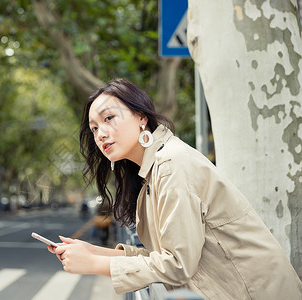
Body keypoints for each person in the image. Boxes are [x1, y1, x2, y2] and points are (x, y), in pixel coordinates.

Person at [48, 78, 301, 299]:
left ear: (141, 117)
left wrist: (93, 264)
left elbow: (178, 264)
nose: (101, 133)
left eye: (109, 118)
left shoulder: (171, 164)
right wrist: (94, 252)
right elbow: (163, 255)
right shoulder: (153, 169)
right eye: (94, 128)